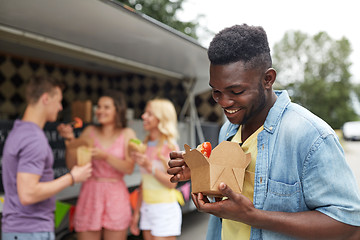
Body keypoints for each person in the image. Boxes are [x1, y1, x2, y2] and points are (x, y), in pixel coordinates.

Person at [167, 24, 360, 240]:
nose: (224, 102)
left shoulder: (310, 136)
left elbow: (349, 225)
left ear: (268, 79)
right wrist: (203, 171)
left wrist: (254, 216)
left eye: (236, 91)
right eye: (216, 92)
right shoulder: (227, 131)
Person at [1, 76, 92, 240]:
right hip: (31, 231)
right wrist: (72, 177)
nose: (60, 107)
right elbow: (28, 194)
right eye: (58, 101)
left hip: (18, 230)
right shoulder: (34, 138)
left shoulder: (19, 131)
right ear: (45, 98)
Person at [57, 90, 136, 240]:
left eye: (106, 107)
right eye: (98, 107)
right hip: (90, 194)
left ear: (117, 110)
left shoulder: (127, 134)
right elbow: (73, 165)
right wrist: (70, 142)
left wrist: (105, 156)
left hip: (116, 195)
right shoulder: (89, 131)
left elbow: (129, 168)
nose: (99, 111)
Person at [129, 99, 183, 240]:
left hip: (165, 210)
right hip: (146, 208)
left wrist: (149, 167)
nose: (143, 116)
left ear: (161, 119)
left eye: (149, 114)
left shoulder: (171, 147)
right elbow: (144, 183)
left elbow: (172, 184)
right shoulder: (144, 145)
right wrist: (136, 213)